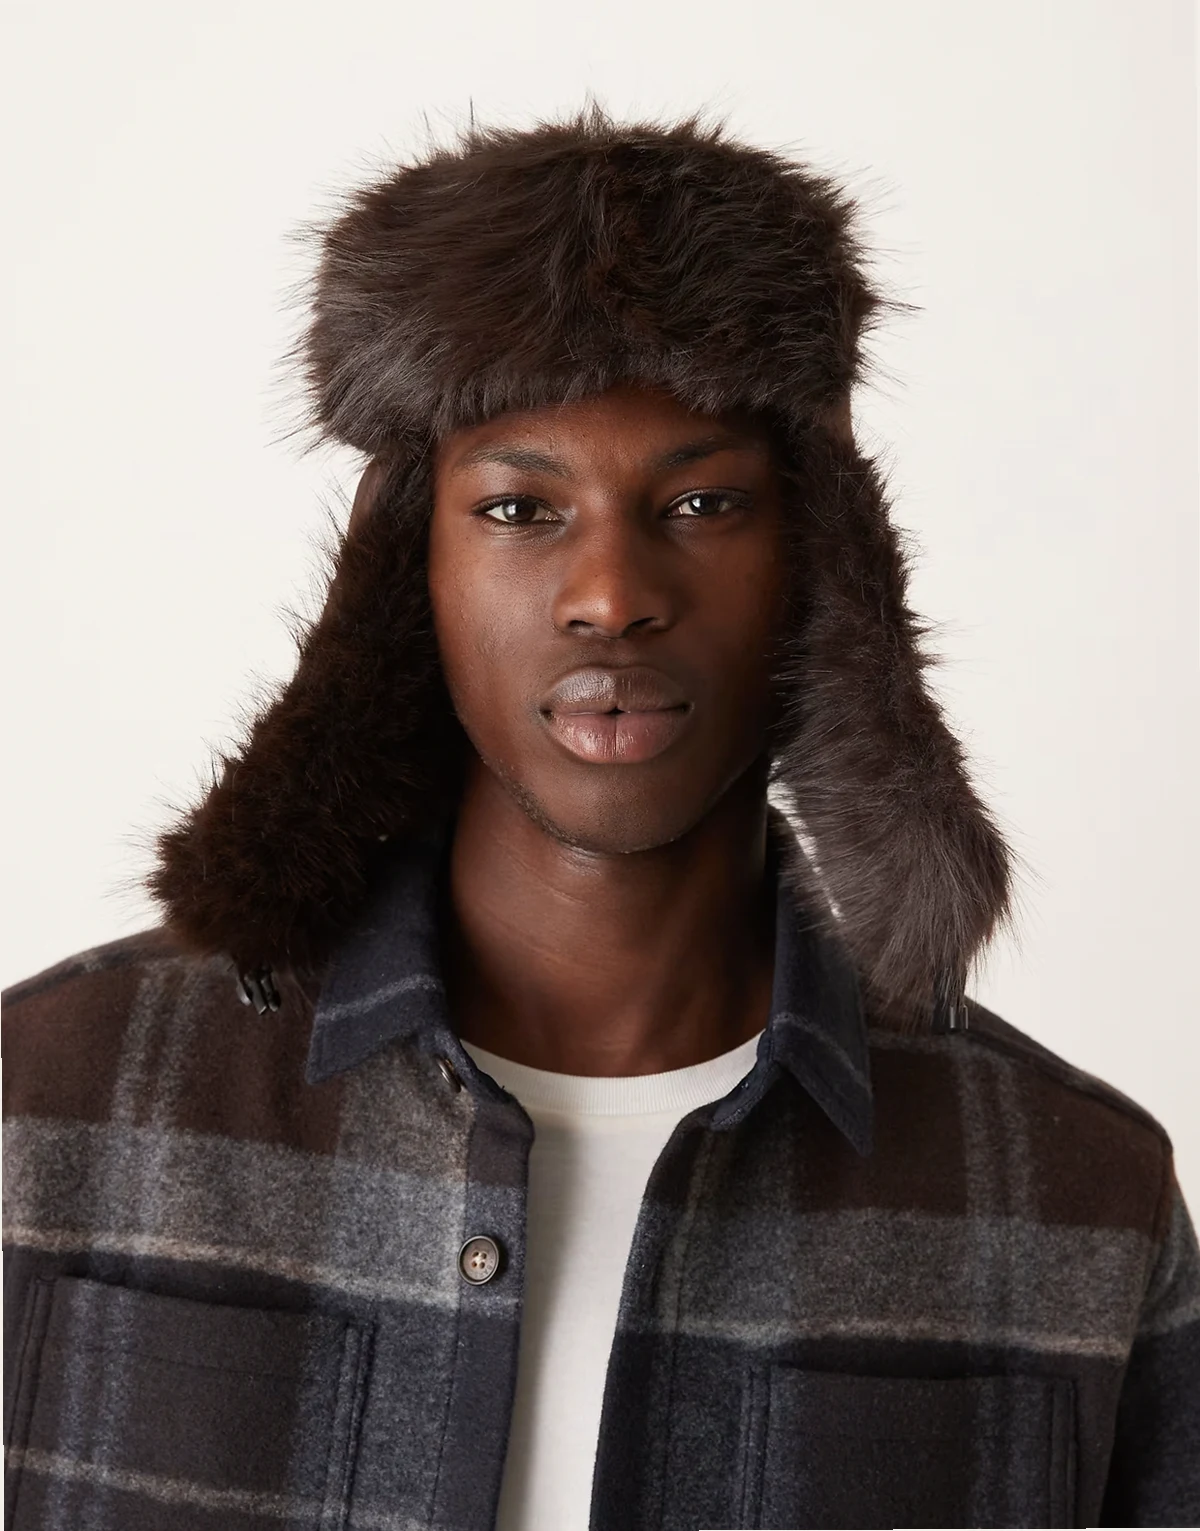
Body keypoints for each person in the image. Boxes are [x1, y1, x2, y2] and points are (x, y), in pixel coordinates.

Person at [3, 102, 1197, 1531]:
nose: (613, 596)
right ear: (403, 561)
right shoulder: (51, 1098)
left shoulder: (1077, 1194)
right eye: (521, 509)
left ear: (828, 558)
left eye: (703, 502)